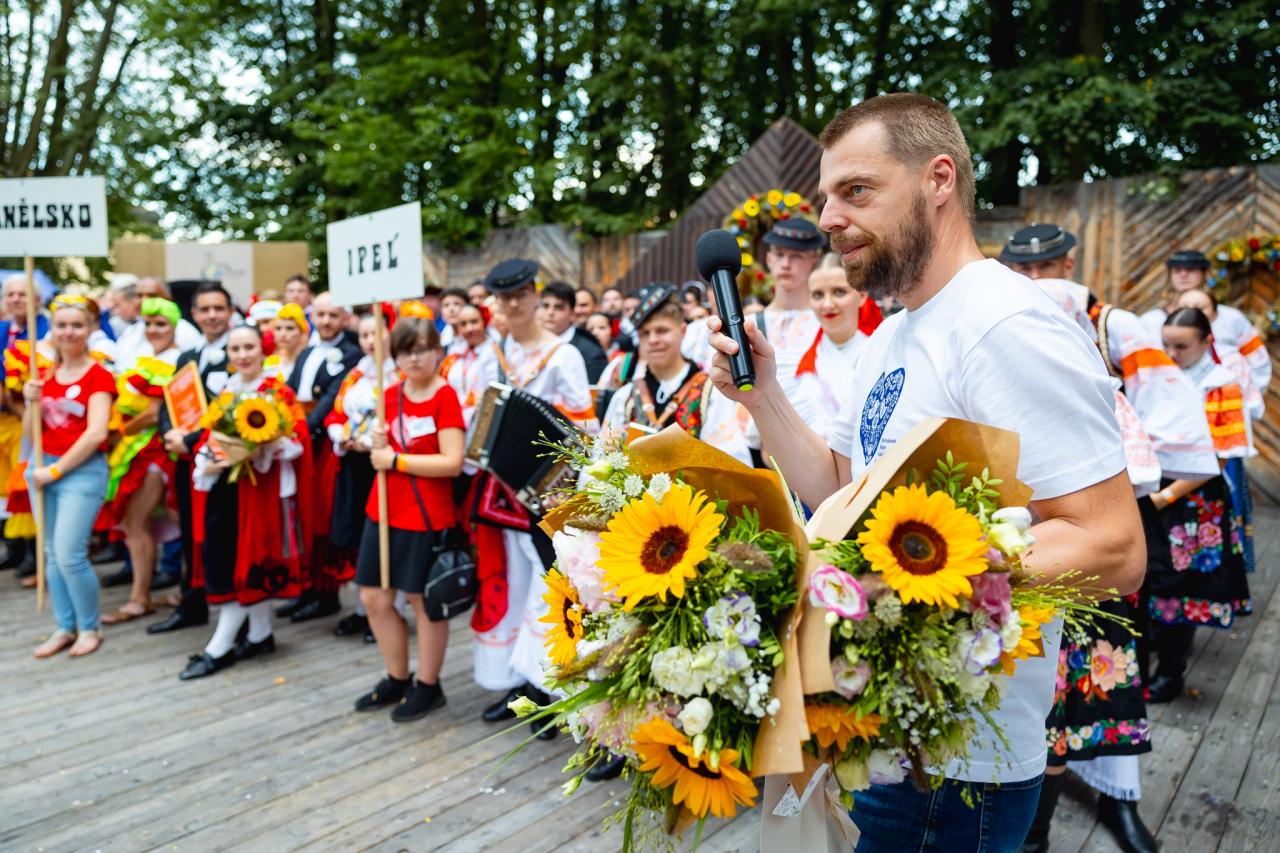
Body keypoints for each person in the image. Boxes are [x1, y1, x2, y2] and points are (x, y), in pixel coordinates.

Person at [707, 93, 1145, 851]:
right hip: (880, 732)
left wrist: (901, 584)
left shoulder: (1003, 323)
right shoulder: (894, 333)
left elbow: (1112, 544)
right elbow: (839, 485)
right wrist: (763, 395)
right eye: (826, 198)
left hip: (956, 768)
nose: (830, 218)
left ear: (939, 179)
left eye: (856, 190)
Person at [475, 259, 597, 733]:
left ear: (535, 295)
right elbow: (484, 417)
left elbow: (584, 432)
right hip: (500, 488)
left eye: (521, 295)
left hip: (548, 492)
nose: (513, 304)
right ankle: (519, 683)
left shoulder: (563, 355)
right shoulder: (495, 353)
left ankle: (553, 690)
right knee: (513, 583)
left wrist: (558, 484)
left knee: (550, 587)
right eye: (504, 297)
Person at [180, 324, 313, 680]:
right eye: (235, 349)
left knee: (247, 560)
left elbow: (296, 439)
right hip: (229, 485)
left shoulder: (277, 391)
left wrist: (263, 446)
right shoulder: (227, 389)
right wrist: (211, 457)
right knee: (235, 555)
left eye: (248, 347)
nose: (242, 355)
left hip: (260, 489)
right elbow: (212, 432)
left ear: (262, 349)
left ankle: (219, 647)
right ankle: (259, 634)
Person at [352, 316, 465, 721]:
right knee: (374, 597)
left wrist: (394, 459)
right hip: (383, 508)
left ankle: (428, 684)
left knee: (423, 601)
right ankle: (397, 676)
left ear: (437, 351)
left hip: (426, 513)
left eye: (421, 350)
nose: (413, 359)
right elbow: (380, 449)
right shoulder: (389, 395)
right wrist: (374, 444)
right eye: (405, 352)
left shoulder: (445, 397)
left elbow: (452, 462)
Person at [1145, 307, 1254, 700]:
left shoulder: (1221, 384)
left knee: (1181, 584)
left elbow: (1220, 457)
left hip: (1194, 494)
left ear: (1207, 342)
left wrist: (1165, 497)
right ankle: (1151, 655)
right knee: (1150, 576)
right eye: (1166, 345)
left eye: (1182, 346)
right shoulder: (1157, 376)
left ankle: (1170, 671)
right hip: (1156, 486)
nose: (1172, 354)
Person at [25, 295, 116, 658]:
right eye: (61, 325)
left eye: (77, 325)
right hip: (43, 468)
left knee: (69, 554)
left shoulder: (99, 375)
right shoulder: (43, 376)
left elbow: (96, 433)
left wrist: (56, 470)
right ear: (52, 329)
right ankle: (64, 626)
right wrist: (29, 400)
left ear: (90, 329)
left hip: (80, 471)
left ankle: (89, 627)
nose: (69, 332)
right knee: (50, 553)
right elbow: (33, 434)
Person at [149, 281, 235, 635]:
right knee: (189, 533)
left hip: (225, 465)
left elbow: (235, 413)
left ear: (230, 312)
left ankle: (237, 614)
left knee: (224, 537)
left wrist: (190, 439)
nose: (212, 315)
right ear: (195, 314)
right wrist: (170, 434)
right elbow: (169, 404)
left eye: (219, 308)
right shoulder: (188, 357)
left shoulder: (240, 352)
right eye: (205, 309)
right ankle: (193, 602)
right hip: (188, 463)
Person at [274, 300, 361, 623]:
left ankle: (326, 593)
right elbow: (288, 392)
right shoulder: (308, 351)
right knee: (303, 515)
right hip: (299, 439)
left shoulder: (352, 354)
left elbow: (331, 397)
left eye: (332, 315)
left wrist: (303, 430)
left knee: (322, 515)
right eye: (320, 315)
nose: (326, 321)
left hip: (322, 443)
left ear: (344, 318)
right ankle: (306, 588)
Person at [601, 284, 752, 466]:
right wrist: (610, 453)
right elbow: (594, 465)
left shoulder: (712, 391)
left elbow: (733, 462)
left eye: (662, 330)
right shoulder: (625, 396)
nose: (653, 340)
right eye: (645, 333)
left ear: (682, 330)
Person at [100, 298, 183, 625]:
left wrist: (119, 430)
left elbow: (152, 414)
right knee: (164, 521)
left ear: (174, 326)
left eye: (161, 324)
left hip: (152, 451)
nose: (153, 330)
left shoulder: (170, 361)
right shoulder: (152, 358)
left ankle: (139, 599)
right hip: (142, 449)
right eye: (148, 324)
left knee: (137, 522)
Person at [1174, 288, 1263, 576]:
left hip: (1219, 450)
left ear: (1213, 315)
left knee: (1220, 518)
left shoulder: (1230, 362)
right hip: (1176, 460)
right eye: (1185, 305)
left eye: (1201, 307)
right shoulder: (1168, 357)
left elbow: (1250, 403)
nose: (1193, 311)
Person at [325, 309, 401, 641]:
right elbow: (336, 415)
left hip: (386, 466)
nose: (370, 341)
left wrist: (374, 441)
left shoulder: (400, 372)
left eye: (376, 334)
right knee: (359, 537)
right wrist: (342, 436)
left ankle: (392, 609)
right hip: (355, 465)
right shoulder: (355, 374)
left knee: (387, 537)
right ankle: (363, 608)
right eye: (364, 335)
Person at [1142, 250, 1271, 395]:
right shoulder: (1151, 321)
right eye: (1177, 270)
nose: (1183, 275)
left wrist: (1249, 396)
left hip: (1228, 397)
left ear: (1204, 273)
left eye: (1191, 269)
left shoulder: (1231, 318)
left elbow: (1257, 359)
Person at [789, 257, 870, 441]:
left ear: (862, 295)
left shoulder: (880, 349)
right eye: (817, 295)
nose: (827, 304)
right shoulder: (793, 355)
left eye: (839, 292)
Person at [753, 217, 825, 401]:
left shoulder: (827, 321)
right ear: (769, 259)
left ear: (814, 260)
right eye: (779, 254)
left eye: (796, 256)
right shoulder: (751, 324)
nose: (786, 264)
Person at [115, 278, 202, 368]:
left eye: (152, 295)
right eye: (139, 296)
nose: (144, 301)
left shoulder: (185, 330)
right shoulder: (131, 330)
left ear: (168, 297)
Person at [539, 281, 608, 383]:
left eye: (558, 307)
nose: (550, 312)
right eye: (545, 306)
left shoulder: (591, 352)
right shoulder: (529, 343)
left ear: (572, 313)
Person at [0, 274, 50, 350]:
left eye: (22, 294)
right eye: (10, 294)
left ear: (37, 299)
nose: (15, 299)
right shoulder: (2, 328)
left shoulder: (49, 330)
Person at [439, 287, 470, 352]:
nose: (451, 309)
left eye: (456, 304)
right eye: (446, 305)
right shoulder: (441, 340)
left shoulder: (477, 336)